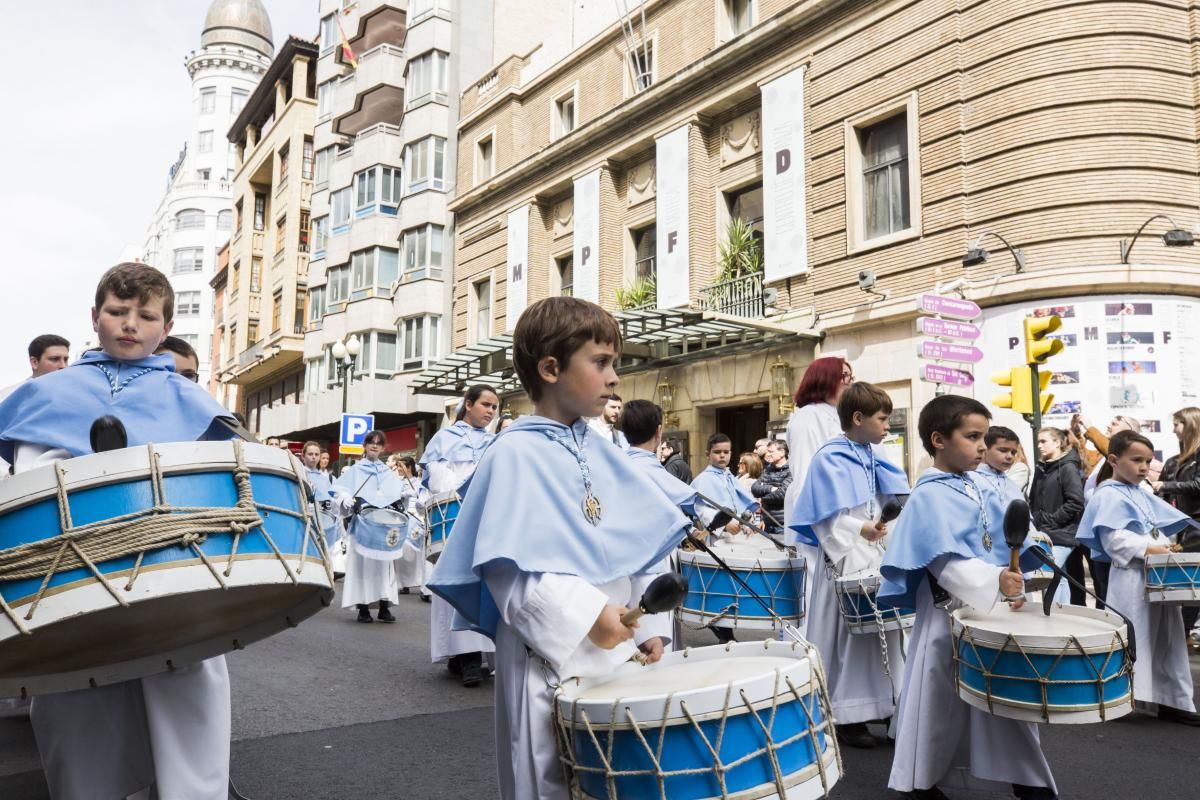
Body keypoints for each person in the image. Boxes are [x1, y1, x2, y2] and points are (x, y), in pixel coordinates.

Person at [427, 296, 689, 800]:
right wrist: (592, 615)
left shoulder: (601, 448)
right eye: (600, 362)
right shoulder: (514, 453)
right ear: (550, 368)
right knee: (553, 782)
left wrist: (651, 625)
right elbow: (512, 575)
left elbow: (634, 542)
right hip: (552, 656)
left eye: (614, 362)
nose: (615, 377)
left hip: (622, 646)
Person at [0, 262, 239, 800]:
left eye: (146, 315)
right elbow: (32, 481)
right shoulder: (47, 393)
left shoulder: (192, 400)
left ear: (165, 325)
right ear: (95, 316)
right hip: (67, 576)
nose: (129, 324)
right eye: (116, 311)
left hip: (172, 571)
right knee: (72, 694)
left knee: (187, 682)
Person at [880, 395, 1057, 800]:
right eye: (972, 436)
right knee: (938, 708)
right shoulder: (927, 495)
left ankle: (1030, 784)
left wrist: (1020, 576)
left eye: (983, 437)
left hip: (991, 612)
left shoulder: (981, 485)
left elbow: (1008, 537)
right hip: (946, 617)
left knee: (1007, 701)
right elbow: (942, 562)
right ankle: (921, 783)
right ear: (939, 440)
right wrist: (994, 580)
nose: (982, 446)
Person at [789, 381, 911, 750]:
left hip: (874, 557)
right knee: (850, 642)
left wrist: (887, 527)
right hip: (845, 560)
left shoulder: (874, 456)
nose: (888, 426)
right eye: (882, 418)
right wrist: (861, 528)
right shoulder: (830, 457)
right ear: (858, 419)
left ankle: (887, 706)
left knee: (887, 635)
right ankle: (844, 714)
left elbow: (887, 500)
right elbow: (825, 518)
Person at [1077, 430, 1200, 725]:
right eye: (1136, 460)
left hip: (1159, 576)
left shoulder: (1142, 492)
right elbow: (1113, 539)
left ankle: (1174, 700)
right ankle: (1122, 697)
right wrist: (1147, 547)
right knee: (1136, 638)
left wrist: (1166, 544)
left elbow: (1156, 526)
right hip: (1131, 578)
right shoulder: (1106, 494)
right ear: (1114, 460)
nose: (1144, 467)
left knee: (1168, 639)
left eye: (1148, 460)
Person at [420, 385, 500, 688]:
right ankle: (466, 656)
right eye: (485, 404)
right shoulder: (444, 438)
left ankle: (480, 651)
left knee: (486, 584)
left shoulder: (496, 442)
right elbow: (436, 480)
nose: (491, 411)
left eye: (495, 406)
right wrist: (465, 484)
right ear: (468, 404)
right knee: (459, 582)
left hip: (487, 518)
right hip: (457, 518)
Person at [337, 430, 408, 624]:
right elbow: (340, 491)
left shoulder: (387, 472)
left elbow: (397, 494)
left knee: (384, 566)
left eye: (378, 443)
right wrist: (348, 499)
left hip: (383, 524)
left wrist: (399, 503)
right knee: (363, 567)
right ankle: (363, 608)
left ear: (383, 448)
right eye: (371, 442)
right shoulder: (356, 470)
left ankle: (384, 606)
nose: (375, 446)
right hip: (364, 524)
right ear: (365, 445)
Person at [1153, 407, 1200, 641]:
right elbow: (1161, 491)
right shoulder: (1174, 461)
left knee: (1193, 585)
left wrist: (1166, 486)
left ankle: (1184, 631)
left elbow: (1198, 485)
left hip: (1196, 528)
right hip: (1184, 528)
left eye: (1177, 425)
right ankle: (1182, 633)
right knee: (1190, 586)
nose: (1172, 430)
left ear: (1190, 425)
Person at [1030, 428, 1085, 607]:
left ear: (1057, 443)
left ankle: (1055, 616)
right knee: (1057, 577)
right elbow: (1033, 500)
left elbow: (1076, 502)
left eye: (1043, 441)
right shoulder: (1043, 467)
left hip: (1062, 535)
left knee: (1051, 576)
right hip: (1046, 533)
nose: (1039, 446)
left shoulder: (1068, 467)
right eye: (1038, 442)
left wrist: (1050, 521)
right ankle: (1061, 616)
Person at [690, 432, 758, 540]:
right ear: (708, 454)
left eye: (726, 452)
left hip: (738, 536)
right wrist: (725, 523)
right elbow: (701, 509)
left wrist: (747, 524)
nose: (722, 455)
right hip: (717, 536)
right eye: (717, 452)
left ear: (730, 453)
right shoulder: (702, 480)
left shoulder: (731, 477)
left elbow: (738, 506)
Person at [393, 455, 431, 598]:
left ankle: (418, 581)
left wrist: (409, 492)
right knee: (401, 551)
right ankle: (403, 583)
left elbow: (419, 495)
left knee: (416, 551)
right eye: (397, 466)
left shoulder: (419, 482)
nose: (398, 469)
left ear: (409, 467)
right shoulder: (396, 482)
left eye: (401, 466)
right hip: (402, 518)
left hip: (417, 519)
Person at [751, 439, 791, 534]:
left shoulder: (791, 470)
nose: (768, 454)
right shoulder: (768, 470)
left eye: (771, 451)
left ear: (782, 452)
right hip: (767, 523)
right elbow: (754, 488)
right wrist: (770, 488)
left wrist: (762, 497)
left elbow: (782, 494)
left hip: (783, 525)